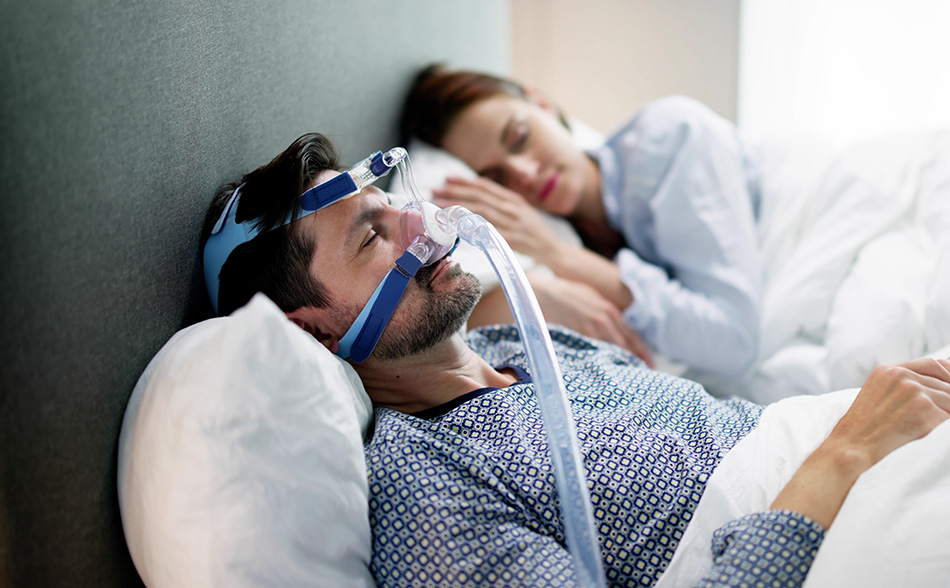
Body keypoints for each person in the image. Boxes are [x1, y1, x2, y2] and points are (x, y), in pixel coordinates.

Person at [201, 132, 950, 588]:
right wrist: (846, 451)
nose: (414, 221)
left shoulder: (526, 346)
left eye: (389, 202)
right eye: (371, 239)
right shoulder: (421, 486)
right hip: (832, 514)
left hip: (852, 445)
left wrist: (854, 426)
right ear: (318, 336)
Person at [399, 65, 764, 378]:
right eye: (497, 178)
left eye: (519, 138)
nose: (525, 173)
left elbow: (735, 342)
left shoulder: (670, 139)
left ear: (542, 103)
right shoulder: (573, 229)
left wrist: (556, 253)